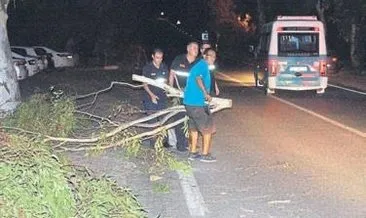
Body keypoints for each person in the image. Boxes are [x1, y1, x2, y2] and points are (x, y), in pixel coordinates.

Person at [183, 48, 217, 162]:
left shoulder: (199, 65)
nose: (213, 58)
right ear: (204, 56)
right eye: (210, 56)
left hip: (189, 103)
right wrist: (205, 93)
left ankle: (192, 152)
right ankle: (205, 154)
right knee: (208, 128)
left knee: (194, 127)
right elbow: (198, 78)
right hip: (196, 103)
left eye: (214, 56)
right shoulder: (202, 65)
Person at [168, 42, 199, 152]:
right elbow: (172, 74)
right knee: (180, 119)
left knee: (192, 119)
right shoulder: (179, 59)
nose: (196, 50)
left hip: (193, 95)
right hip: (178, 94)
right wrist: (171, 90)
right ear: (188, 49)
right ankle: (181, 144)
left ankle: (189, 142)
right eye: (194, 48)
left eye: (197, 48)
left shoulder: (198, 62)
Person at [142, 48, 169, 147]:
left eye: (161, 58)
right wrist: (152, 95)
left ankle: (163, 141)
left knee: (163, 119)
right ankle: (152, 143)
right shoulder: (147, 68)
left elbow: (165, 81)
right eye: (157, 58)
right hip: (150, 97)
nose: (159, 60)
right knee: (152, 120)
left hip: (162, 97)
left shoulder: (164, 67)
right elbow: (144, 84)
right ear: (153, 57)